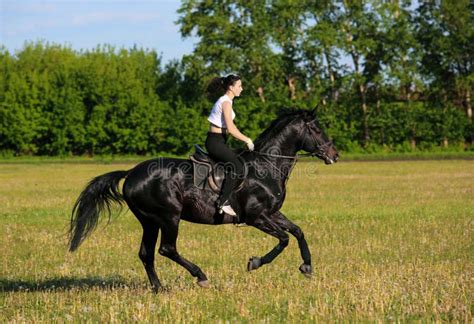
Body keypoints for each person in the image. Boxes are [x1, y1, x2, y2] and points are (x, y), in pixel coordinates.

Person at [205, 74, 254, 216]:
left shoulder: (227, 102)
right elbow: (231, 129)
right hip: (215, 142)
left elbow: (231, 128)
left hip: (219, 141)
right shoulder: (225, 102)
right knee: (237, 166)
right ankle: (223, 201)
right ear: (231, 87)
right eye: (239, 86)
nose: (242, 89)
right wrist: (247, 140)